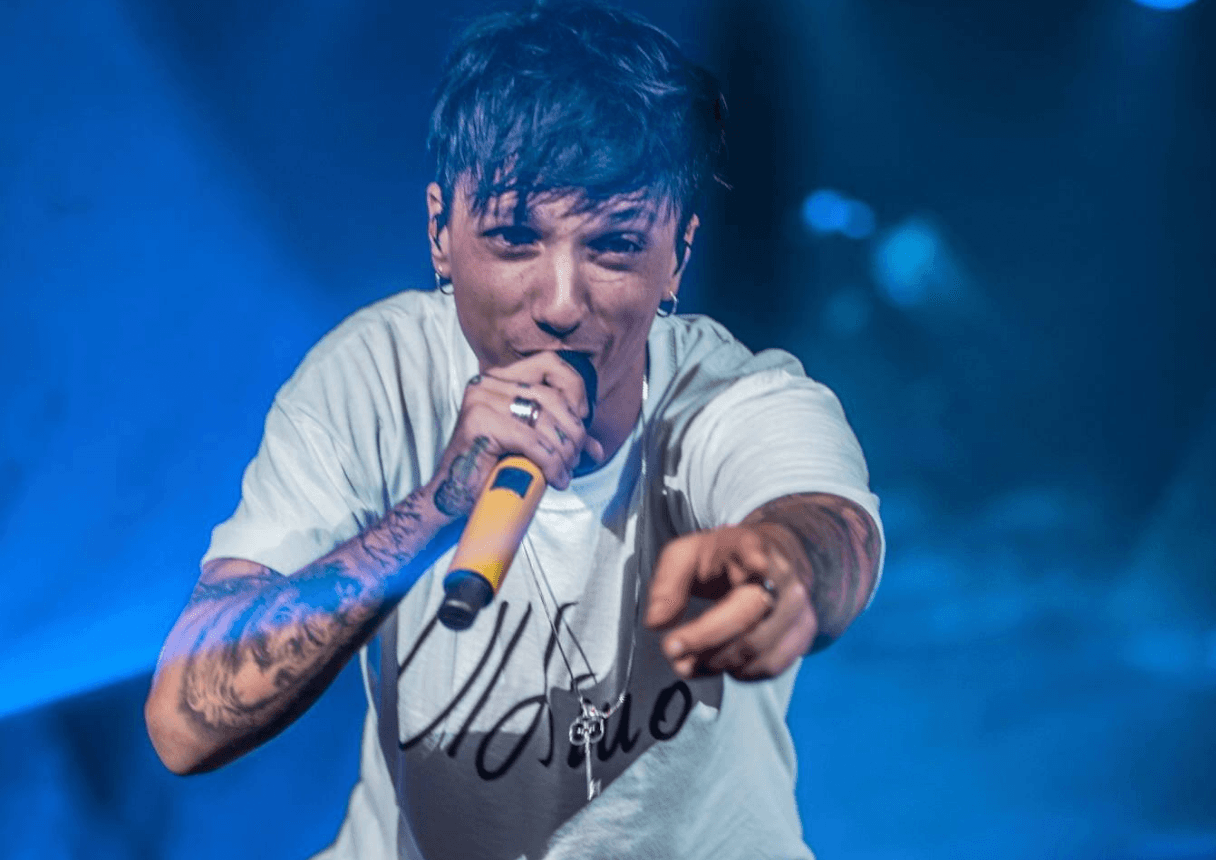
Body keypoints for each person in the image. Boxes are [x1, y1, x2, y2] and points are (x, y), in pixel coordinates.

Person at [144, 2, 884, 858]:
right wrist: (438, 506)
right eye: (514, 238)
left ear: (678, 255)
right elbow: (183, 725)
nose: (561, 304)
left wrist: (783, 568)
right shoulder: (371, 379)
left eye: (615, 246)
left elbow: (829, 531)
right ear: (440, 232)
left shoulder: (734, 398)